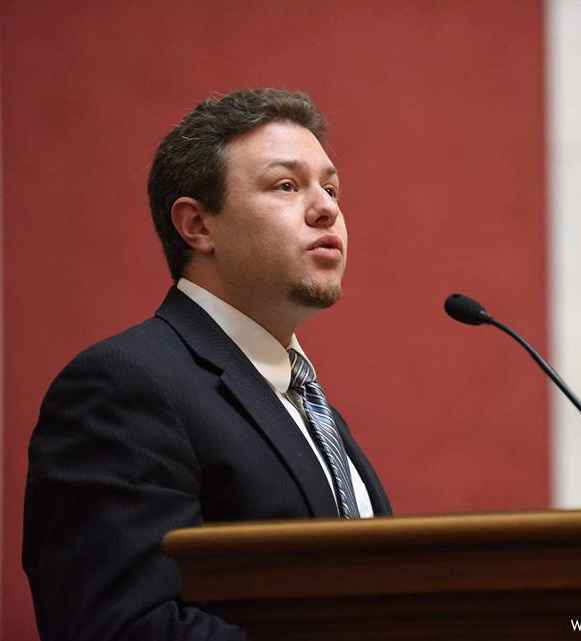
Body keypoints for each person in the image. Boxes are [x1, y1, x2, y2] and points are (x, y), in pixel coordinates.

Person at [23, 88, 392, 641]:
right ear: (198, 226)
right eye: (286, 185)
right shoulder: (125, 385)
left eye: (332, 187)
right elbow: (120, 626)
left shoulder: (307, 404)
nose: (327, 208)